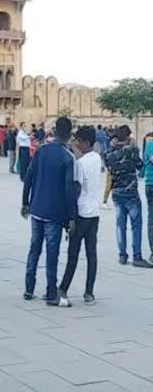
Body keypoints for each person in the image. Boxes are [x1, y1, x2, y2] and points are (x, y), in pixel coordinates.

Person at [21, 116, 76, 306]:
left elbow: (28, 176)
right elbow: (69, 190)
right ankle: (50, 291)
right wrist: (71, 217)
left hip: (36, 208)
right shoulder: (68, 157)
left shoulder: (42, 151)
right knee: (52, 253)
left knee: (34, 249)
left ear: (53, 131)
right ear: (69, 134)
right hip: (55, 212)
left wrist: (25, 202)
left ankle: (29, 288)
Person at [59, 126, 102, 306]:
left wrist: (68, 217)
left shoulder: (80, 164)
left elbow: (75, 189)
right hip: (94, 212)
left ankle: (63, 288)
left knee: (73, 254)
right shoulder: (97, 158)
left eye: (78, 142)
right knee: (91, 254)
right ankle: (89, 292)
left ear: (85, 143)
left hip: (81, 213)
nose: (76, 144)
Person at [106, 125, 151, 267]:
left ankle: (123, 255)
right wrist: (133, 147)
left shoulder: (109, 153)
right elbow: (140, 166)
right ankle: (137, 256)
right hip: (130, 192)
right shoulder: (131, 151)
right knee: (136, 224)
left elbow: (109, 168)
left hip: (116, 193)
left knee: (120, 225)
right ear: (127, 137)